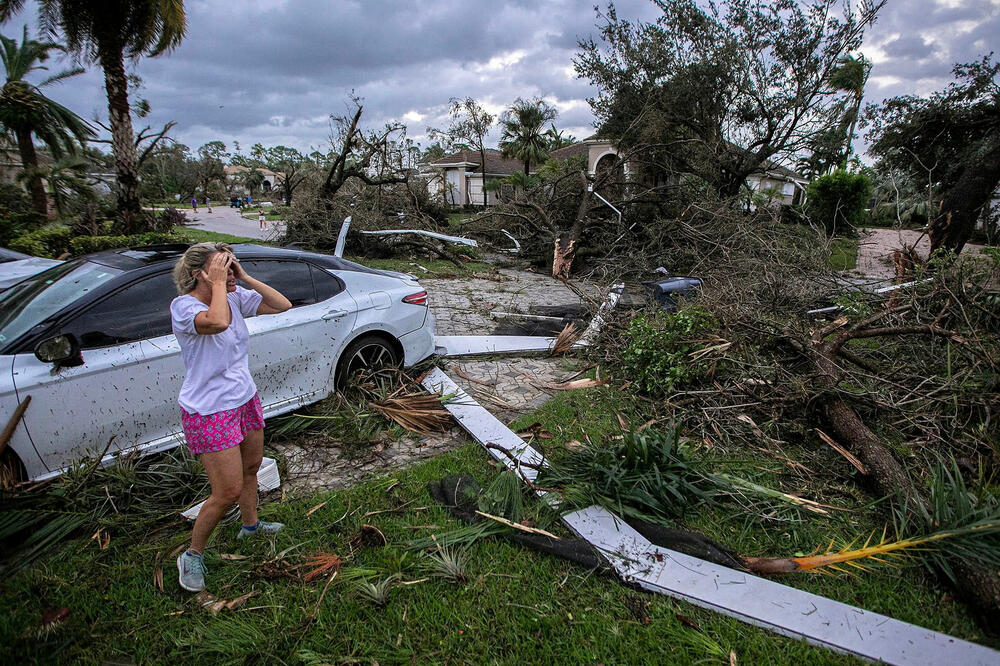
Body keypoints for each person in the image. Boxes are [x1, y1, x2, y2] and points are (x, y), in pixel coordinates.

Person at [171, 243, 292, 592]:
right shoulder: (184, 307)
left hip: (243, 398)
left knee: (252, 468)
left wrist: (243, 277)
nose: (228, 270)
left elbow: (281, 304)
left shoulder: (235, 297)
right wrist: (221, 285)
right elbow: (218, 322)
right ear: (199, 274)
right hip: (210, 410)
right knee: (226, 491)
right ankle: (192, 555)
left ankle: (251, 526)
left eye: (229, 264)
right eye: (220, 266)